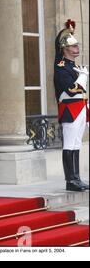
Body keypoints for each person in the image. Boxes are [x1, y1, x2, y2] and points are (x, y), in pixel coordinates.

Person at [53, 19, 88, 192]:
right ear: (65, 48)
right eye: (73, 46)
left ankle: (77, 178)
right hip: (69, 109)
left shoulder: (74, 67)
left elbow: (82, 93)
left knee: (76, 143)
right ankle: (70, 180)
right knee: (69, 144)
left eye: (77, 46)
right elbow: (71, 89)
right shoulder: (61, 67)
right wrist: (82, 78)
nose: (77, 48)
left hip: (80, 108)